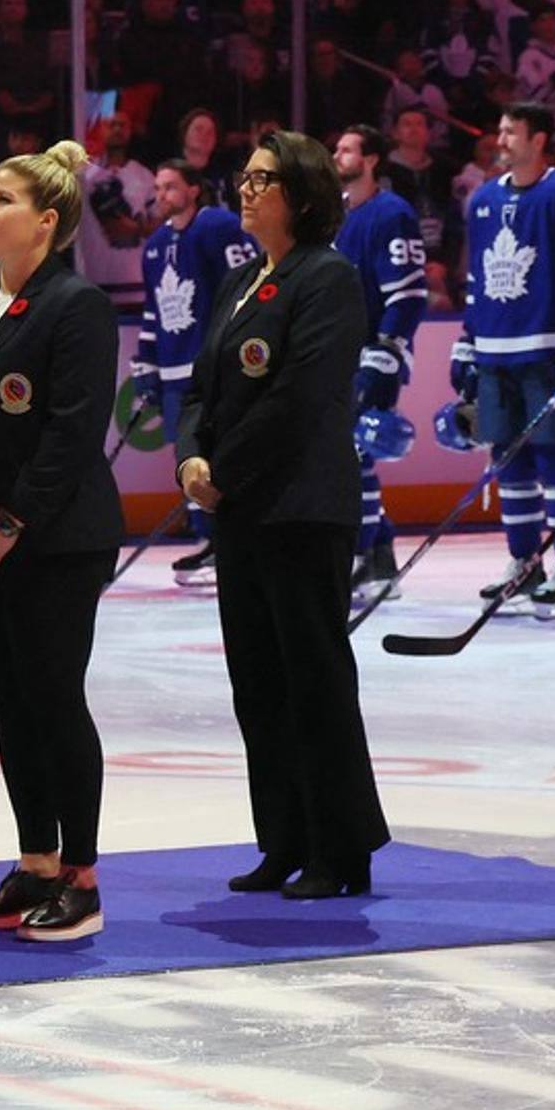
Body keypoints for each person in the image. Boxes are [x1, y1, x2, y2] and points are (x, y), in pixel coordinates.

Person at [179, 131, 389, 899]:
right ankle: (283, 841)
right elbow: (202, 389)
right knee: (258, 685)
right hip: (240, 513)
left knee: (315, 683)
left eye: (263, 179)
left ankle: (341, 849)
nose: (245, 188)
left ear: (301, 196)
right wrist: (189, 456)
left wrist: (222, 470)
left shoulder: (327, 278)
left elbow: (299, 399)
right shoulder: (241, 282)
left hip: (300, 508)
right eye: (245, 177)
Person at [0, 139, 121, 943]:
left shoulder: (77, 306)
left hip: (57, 540)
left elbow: (73, 432)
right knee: (9, 701)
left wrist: (15, 519)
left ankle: (81, 876)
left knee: (52, 697)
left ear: (45, 223)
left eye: (2, 200)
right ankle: (35, 861)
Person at [455, 101, 555, 619]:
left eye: (510, 132)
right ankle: (524, 564)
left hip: (548, 352)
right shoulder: (481, 201)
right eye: (499, 130)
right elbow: (478, 282)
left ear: (539, 139)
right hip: (497, 353)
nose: (499, 140)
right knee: (511, 464)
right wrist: (467, 342)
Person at [132, 157, 257, 584]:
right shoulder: (153, 246)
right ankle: (209, 543)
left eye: (170, 186)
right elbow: (153, 312)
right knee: (188, 458)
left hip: (214, 370)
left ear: (193, 189)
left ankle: (232, 541)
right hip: (172, 372)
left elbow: (248, 287)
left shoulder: (218, 226)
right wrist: (145, 363)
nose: (161, 194)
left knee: (222, 458)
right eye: (158, 186)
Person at [334, 125, 427, 603]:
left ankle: (358, 558)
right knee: (349, 458)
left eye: (346, 149)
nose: (337, 155)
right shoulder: (338, 215)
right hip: (339, 357)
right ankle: (380, 557)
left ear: (371, 160)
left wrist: (387, 351)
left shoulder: (391, 213)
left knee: (354, 458)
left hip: (373, 357)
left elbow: (409, 294)